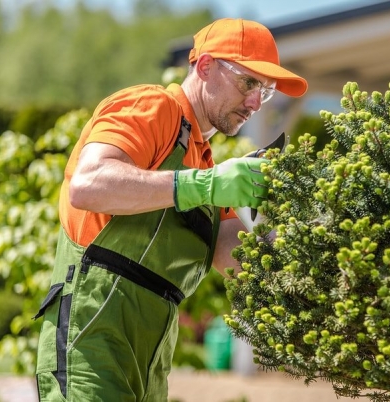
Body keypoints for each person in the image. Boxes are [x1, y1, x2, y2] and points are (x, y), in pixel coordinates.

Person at [34, 18, 308, 401]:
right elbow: (88, 184)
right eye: (248, 83)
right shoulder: (152, 106)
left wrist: (313, 234)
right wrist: (205, 185)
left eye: (265, 92)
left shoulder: (207, 166)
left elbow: (239, 260)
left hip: (152, 361)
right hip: (91, 341)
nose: (254, 103)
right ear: (207, 65)